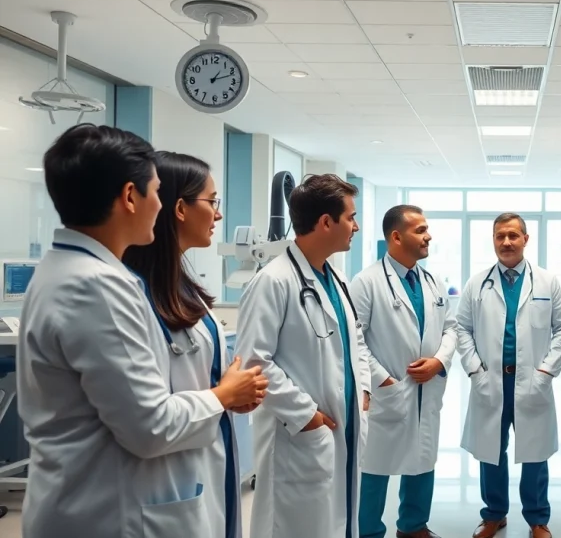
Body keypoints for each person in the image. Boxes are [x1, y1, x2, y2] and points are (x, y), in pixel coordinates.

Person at [17, 124, 266, 538]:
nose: (161, 205)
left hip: (114, 498)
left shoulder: (70, 271)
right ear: (130, 197)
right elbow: (150, 427)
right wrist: (222, 396)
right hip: (110, 512)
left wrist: (222, 395)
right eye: (156, 192)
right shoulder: (97, 286)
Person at [123, 152, 258, 538]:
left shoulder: (182, 285)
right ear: (180, 208)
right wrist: (223, 395)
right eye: (212, 201)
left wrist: (232, 395)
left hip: (204, 456)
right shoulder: (130, 296)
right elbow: (145, 417)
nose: (219, 214)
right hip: (164, 478)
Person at [236, 174, 370, 538]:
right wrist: (306, 415)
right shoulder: (273, 281)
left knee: (337, 520)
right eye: (351, 218)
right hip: (299, 435)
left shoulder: (336, 278)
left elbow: (355, 339)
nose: (356, 227)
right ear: (326, 222)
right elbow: (253, 363)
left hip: (342, 425)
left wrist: (364, 389)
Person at [456, 213, 561, 538]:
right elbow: (461, 328)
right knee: (490, 451)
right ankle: (494, 515)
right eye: (500, 236)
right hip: (491, 380)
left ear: (525, 239)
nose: (506, 242)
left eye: (512, 235)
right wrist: (475, 369)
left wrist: (546, 370)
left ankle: (537, 519)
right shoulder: (477, 283)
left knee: (535, 452)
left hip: (532, 380)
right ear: (493, 240)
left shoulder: (547, 281)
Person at [351, 205, 458, 538]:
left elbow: (451, 328)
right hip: (388, 391)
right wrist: (382, 379)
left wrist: (440, 360)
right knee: (374, 466)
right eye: (420, 230)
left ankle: (413, 526)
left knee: (422, 459)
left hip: (427, 389)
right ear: (396, 237)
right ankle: (368, 531)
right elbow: (354, 340)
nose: (428, 237)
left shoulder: (432, 281)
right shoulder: (366, 282)